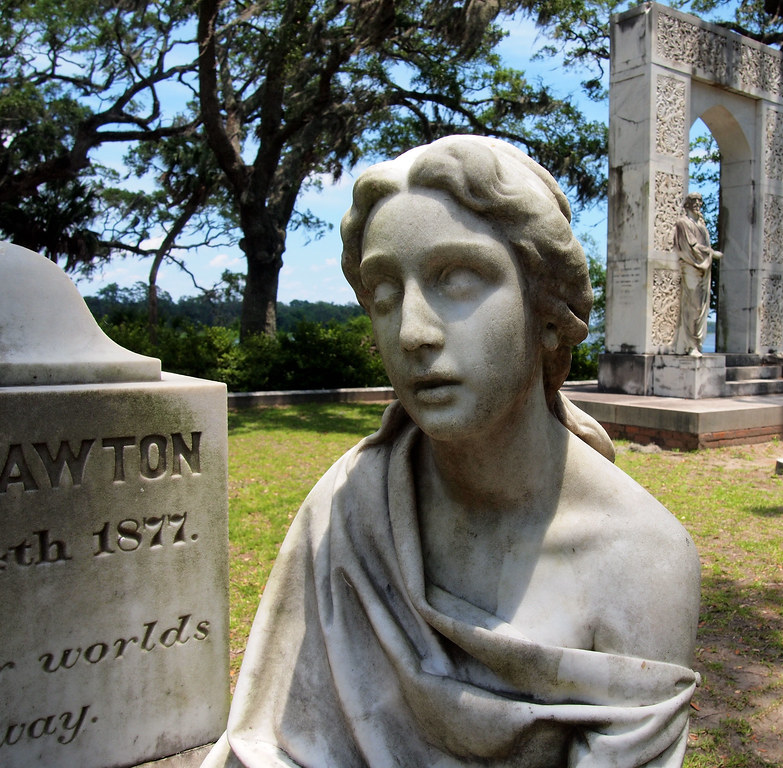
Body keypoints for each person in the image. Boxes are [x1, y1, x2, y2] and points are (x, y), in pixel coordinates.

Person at [202, 136, 700, 768]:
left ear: (549, 312)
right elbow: (273, 744)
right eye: (385, 295)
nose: (412, 332)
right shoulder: (350, 506)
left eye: (458, 280)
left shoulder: (641, 564)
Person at [673, 193, 722, 357]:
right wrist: (712, 253)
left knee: (701, 307)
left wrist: (708, 254)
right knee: (692, 306)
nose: (697, 204)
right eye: (693, 201)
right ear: (687, 204)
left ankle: (696, 343)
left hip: (703, 267)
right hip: (690, 266)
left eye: (699, 201)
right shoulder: (683, 223)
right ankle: (690, 344)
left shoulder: (701, 224)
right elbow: (691, 246)